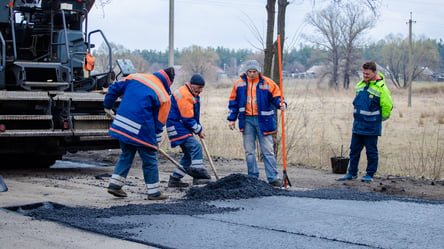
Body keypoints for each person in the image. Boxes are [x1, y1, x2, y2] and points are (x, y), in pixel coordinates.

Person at [103, 67, 175, 200]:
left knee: (127, 154)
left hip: (122, 124)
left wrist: (107, 106)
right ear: (169, 82)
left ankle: (115, 185)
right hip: (141, 129)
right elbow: (159, 123)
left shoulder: (135, 77)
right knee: (150, 158)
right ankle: (154, 192)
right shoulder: (164, 96)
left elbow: (113, 88)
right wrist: (156, 141)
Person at [227, 60, 286, 187]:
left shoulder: (268, 83)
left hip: (264, 121)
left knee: (268, 150)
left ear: (258, 71)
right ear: (246, 72)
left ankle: (273, 177)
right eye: (250, 71)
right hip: (246, 120)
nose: (252, 74)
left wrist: (281, 104)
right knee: (249, 151)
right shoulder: (239, 84)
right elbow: (233, 102)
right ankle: (252, 177)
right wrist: (232, 119)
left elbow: (277, 96)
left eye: (254, 71)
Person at [338, 61, 393, 182]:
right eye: (363, 73)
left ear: (374, 72)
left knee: (371, 152)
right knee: (354, 151)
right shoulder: (360, 85)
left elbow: (387, 106)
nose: (365, 75)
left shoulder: (381, 88)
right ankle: (352, 173)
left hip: (371, 126)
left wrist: (378, 119)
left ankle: (370, 174)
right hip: (358, 125)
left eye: (367, 73)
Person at [166, 73, 212, 187]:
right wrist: (199, 130)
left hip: (180, 126)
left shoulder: (192, 93)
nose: (201, 90)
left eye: (202, 88)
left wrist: (198, 128)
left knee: (188, 155)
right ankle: (198, 177)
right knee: (196, 147)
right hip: (177, 127)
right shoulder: (184, 95)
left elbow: (193, 116)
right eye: (199, 88)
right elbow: (187, 118)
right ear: (192, 85)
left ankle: (175, 179)